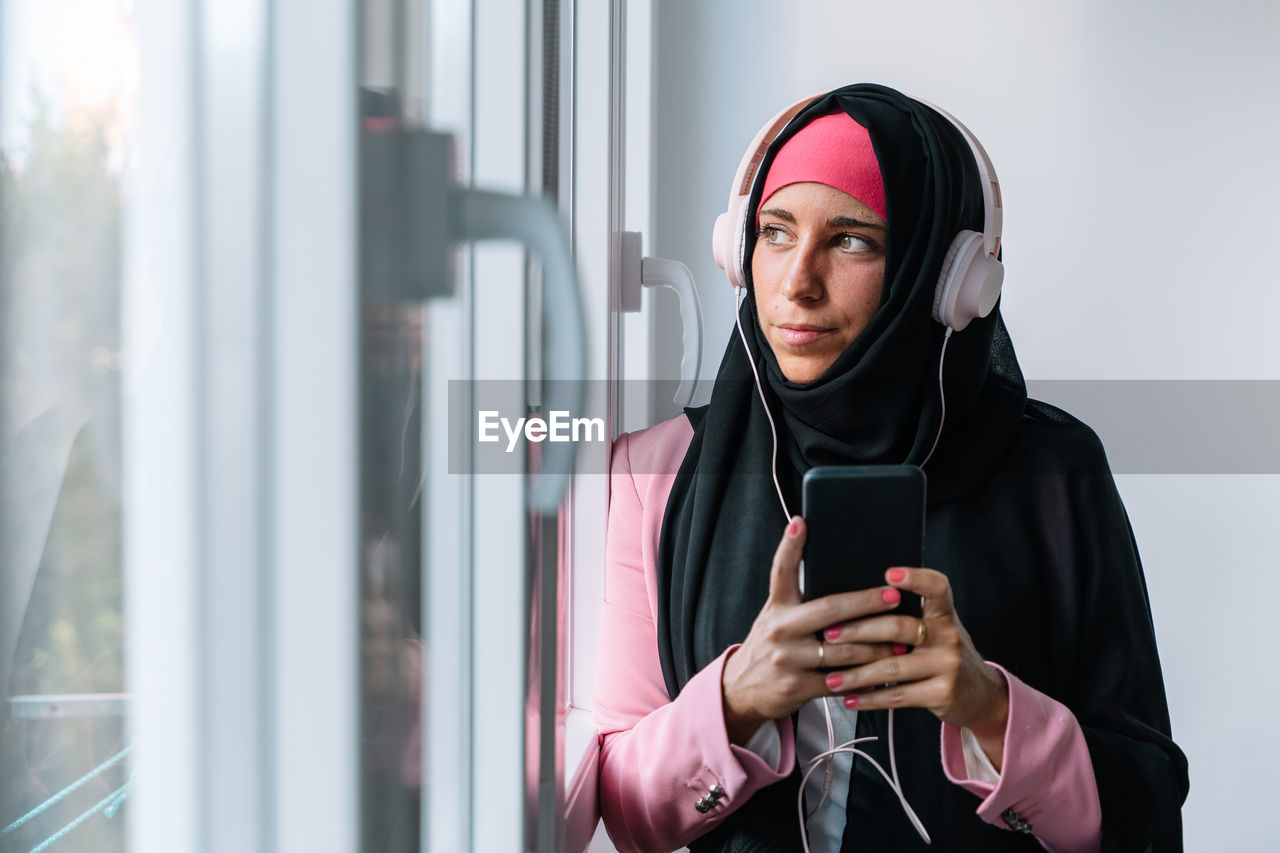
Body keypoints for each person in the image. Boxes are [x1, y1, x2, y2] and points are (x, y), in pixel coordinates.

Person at [592, 83, 1188, 852]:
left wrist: (990, 709)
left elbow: (1143, 803)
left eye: (851, 241)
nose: (796, 282)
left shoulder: (1053, 473)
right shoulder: (655, 473)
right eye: (775, 232)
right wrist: (737, 700)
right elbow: (627, 815)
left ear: (946, 278)